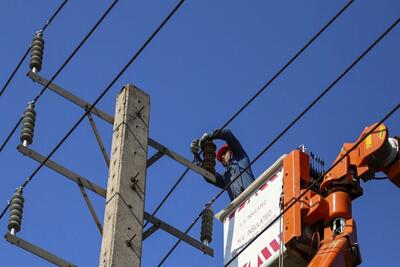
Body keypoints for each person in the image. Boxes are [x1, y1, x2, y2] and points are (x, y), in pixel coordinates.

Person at [191, 129, 255, 201]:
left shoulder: (241, 159)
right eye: (221, 158)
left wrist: (210, 136)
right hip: (241, 208)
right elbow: (207, 174)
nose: (222, 157)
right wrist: (196, 154)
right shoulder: (225, 178)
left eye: (224, 153)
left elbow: (227, 133)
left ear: (231, 152)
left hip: (255, 197)